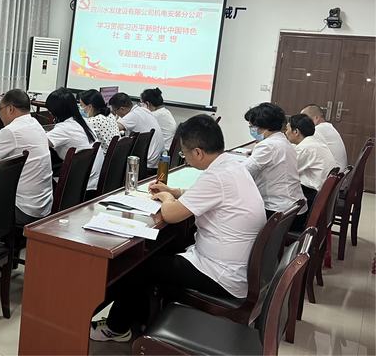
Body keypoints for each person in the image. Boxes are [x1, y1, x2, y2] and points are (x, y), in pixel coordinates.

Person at [90, 115, 265, 342]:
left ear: (198, 153)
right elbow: (204, 195)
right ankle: (140, 319)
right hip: (235, 265)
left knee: (139, 267)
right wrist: (175, 192)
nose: (185, 158)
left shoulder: (217, 176)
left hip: (220, 274)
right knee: (160, 252)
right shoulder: (231, 165)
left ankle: (116, 327)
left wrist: (166, 198)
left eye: (185, 153)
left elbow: (170, 215)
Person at [0, 89, 53, 225]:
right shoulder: (35, 124)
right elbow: (12, 146)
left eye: (0, 110)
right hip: (42, 206)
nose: (0, 115)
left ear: (10, 109)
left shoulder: (12, 130)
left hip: (23, 209)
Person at [244, 103, 305, 220]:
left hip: (278, 212)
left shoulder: (268, 145)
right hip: (294, 209)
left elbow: (243, 173)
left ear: (263, 126)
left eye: (252, 126)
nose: (251, 129)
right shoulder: (283, 141)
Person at [45, 88, 101, 192]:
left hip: (79, 187)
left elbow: (39, 143)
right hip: (91, 182)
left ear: (55, 112)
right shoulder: (83, 122)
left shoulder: (65, 128)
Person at [285, 113, 338, 206]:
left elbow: (286, 172)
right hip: (324, 194)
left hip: (314, 196)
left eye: (287, 129)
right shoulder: (314, 142)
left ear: (296, 132)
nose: (285, 133)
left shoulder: (305, 148)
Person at [107, 92, 165, 171]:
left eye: (115, 111)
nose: (115, 114)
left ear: (122, 109)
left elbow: (111, 128)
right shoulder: (142, 110)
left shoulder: (133, 115)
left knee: (112, 161)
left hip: (147, 162)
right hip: (155, 160)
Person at [300, 104, 348, 169]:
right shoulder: (328, 127)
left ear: (316, 118)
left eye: (304, 119)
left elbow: (301, 150)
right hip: (338, 171)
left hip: (332, 173)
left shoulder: (317, 130)